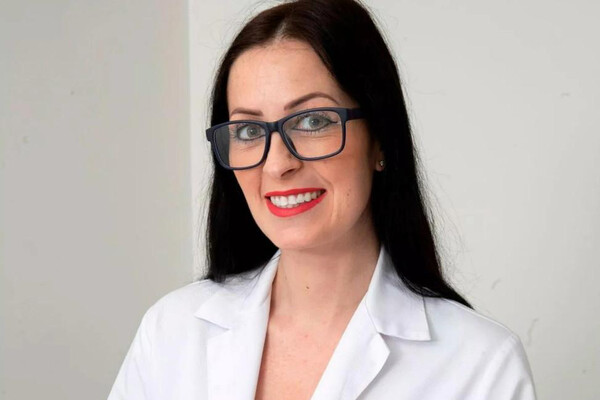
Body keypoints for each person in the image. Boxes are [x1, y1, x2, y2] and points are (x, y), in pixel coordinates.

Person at [108, 0, 537, 399]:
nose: (277, 164)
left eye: (313, 121)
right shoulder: (171, 333)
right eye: (248, 130)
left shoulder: (480, 365)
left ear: (381, 140)